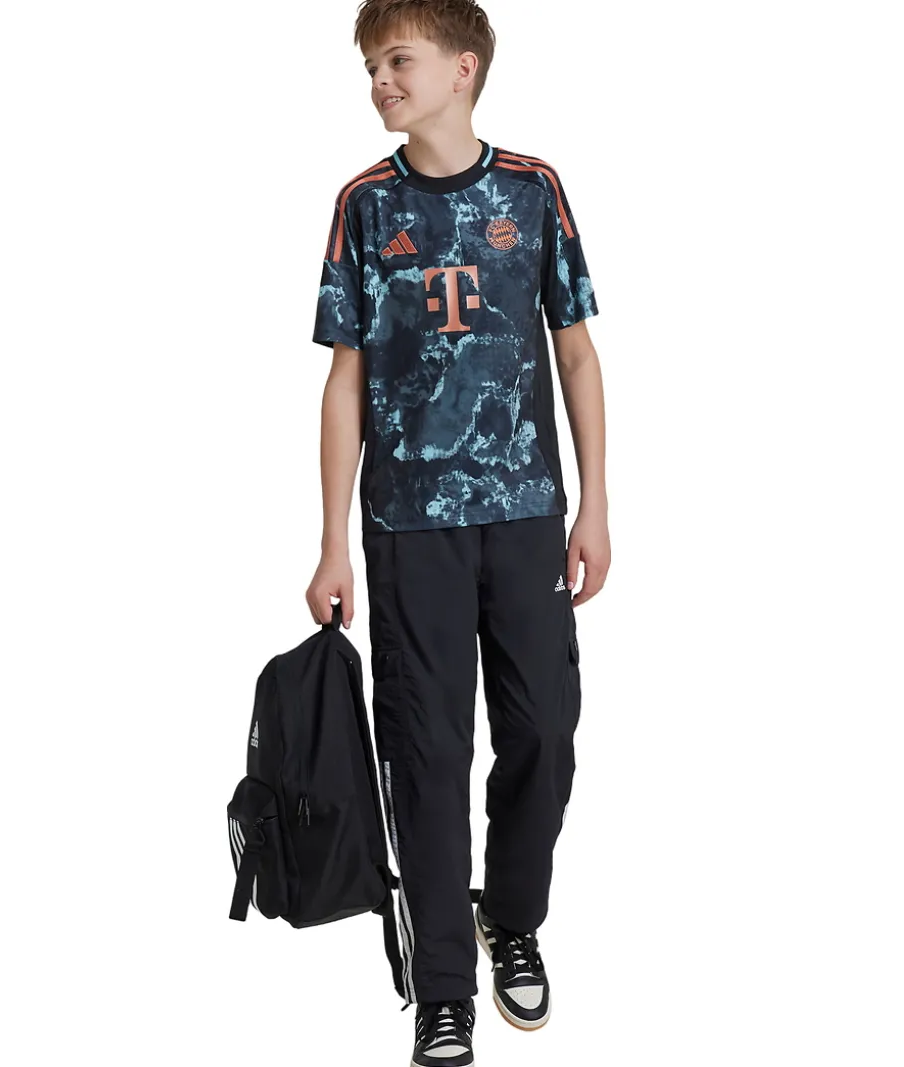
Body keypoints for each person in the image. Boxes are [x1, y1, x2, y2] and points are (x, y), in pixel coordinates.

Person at [305, 2, 610, 1064]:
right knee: (426, 752)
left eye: (397, 60)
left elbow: (575, 352)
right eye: (370, 66)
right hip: (407, 528)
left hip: (527, 515)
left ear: (462, 69)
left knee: (544, 730)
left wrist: (595, 502)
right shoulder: (363, 205)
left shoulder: (532, 190)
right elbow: (344, 380)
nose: (378, 81)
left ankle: (510, 915)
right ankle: (443, 987)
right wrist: (332, 540)